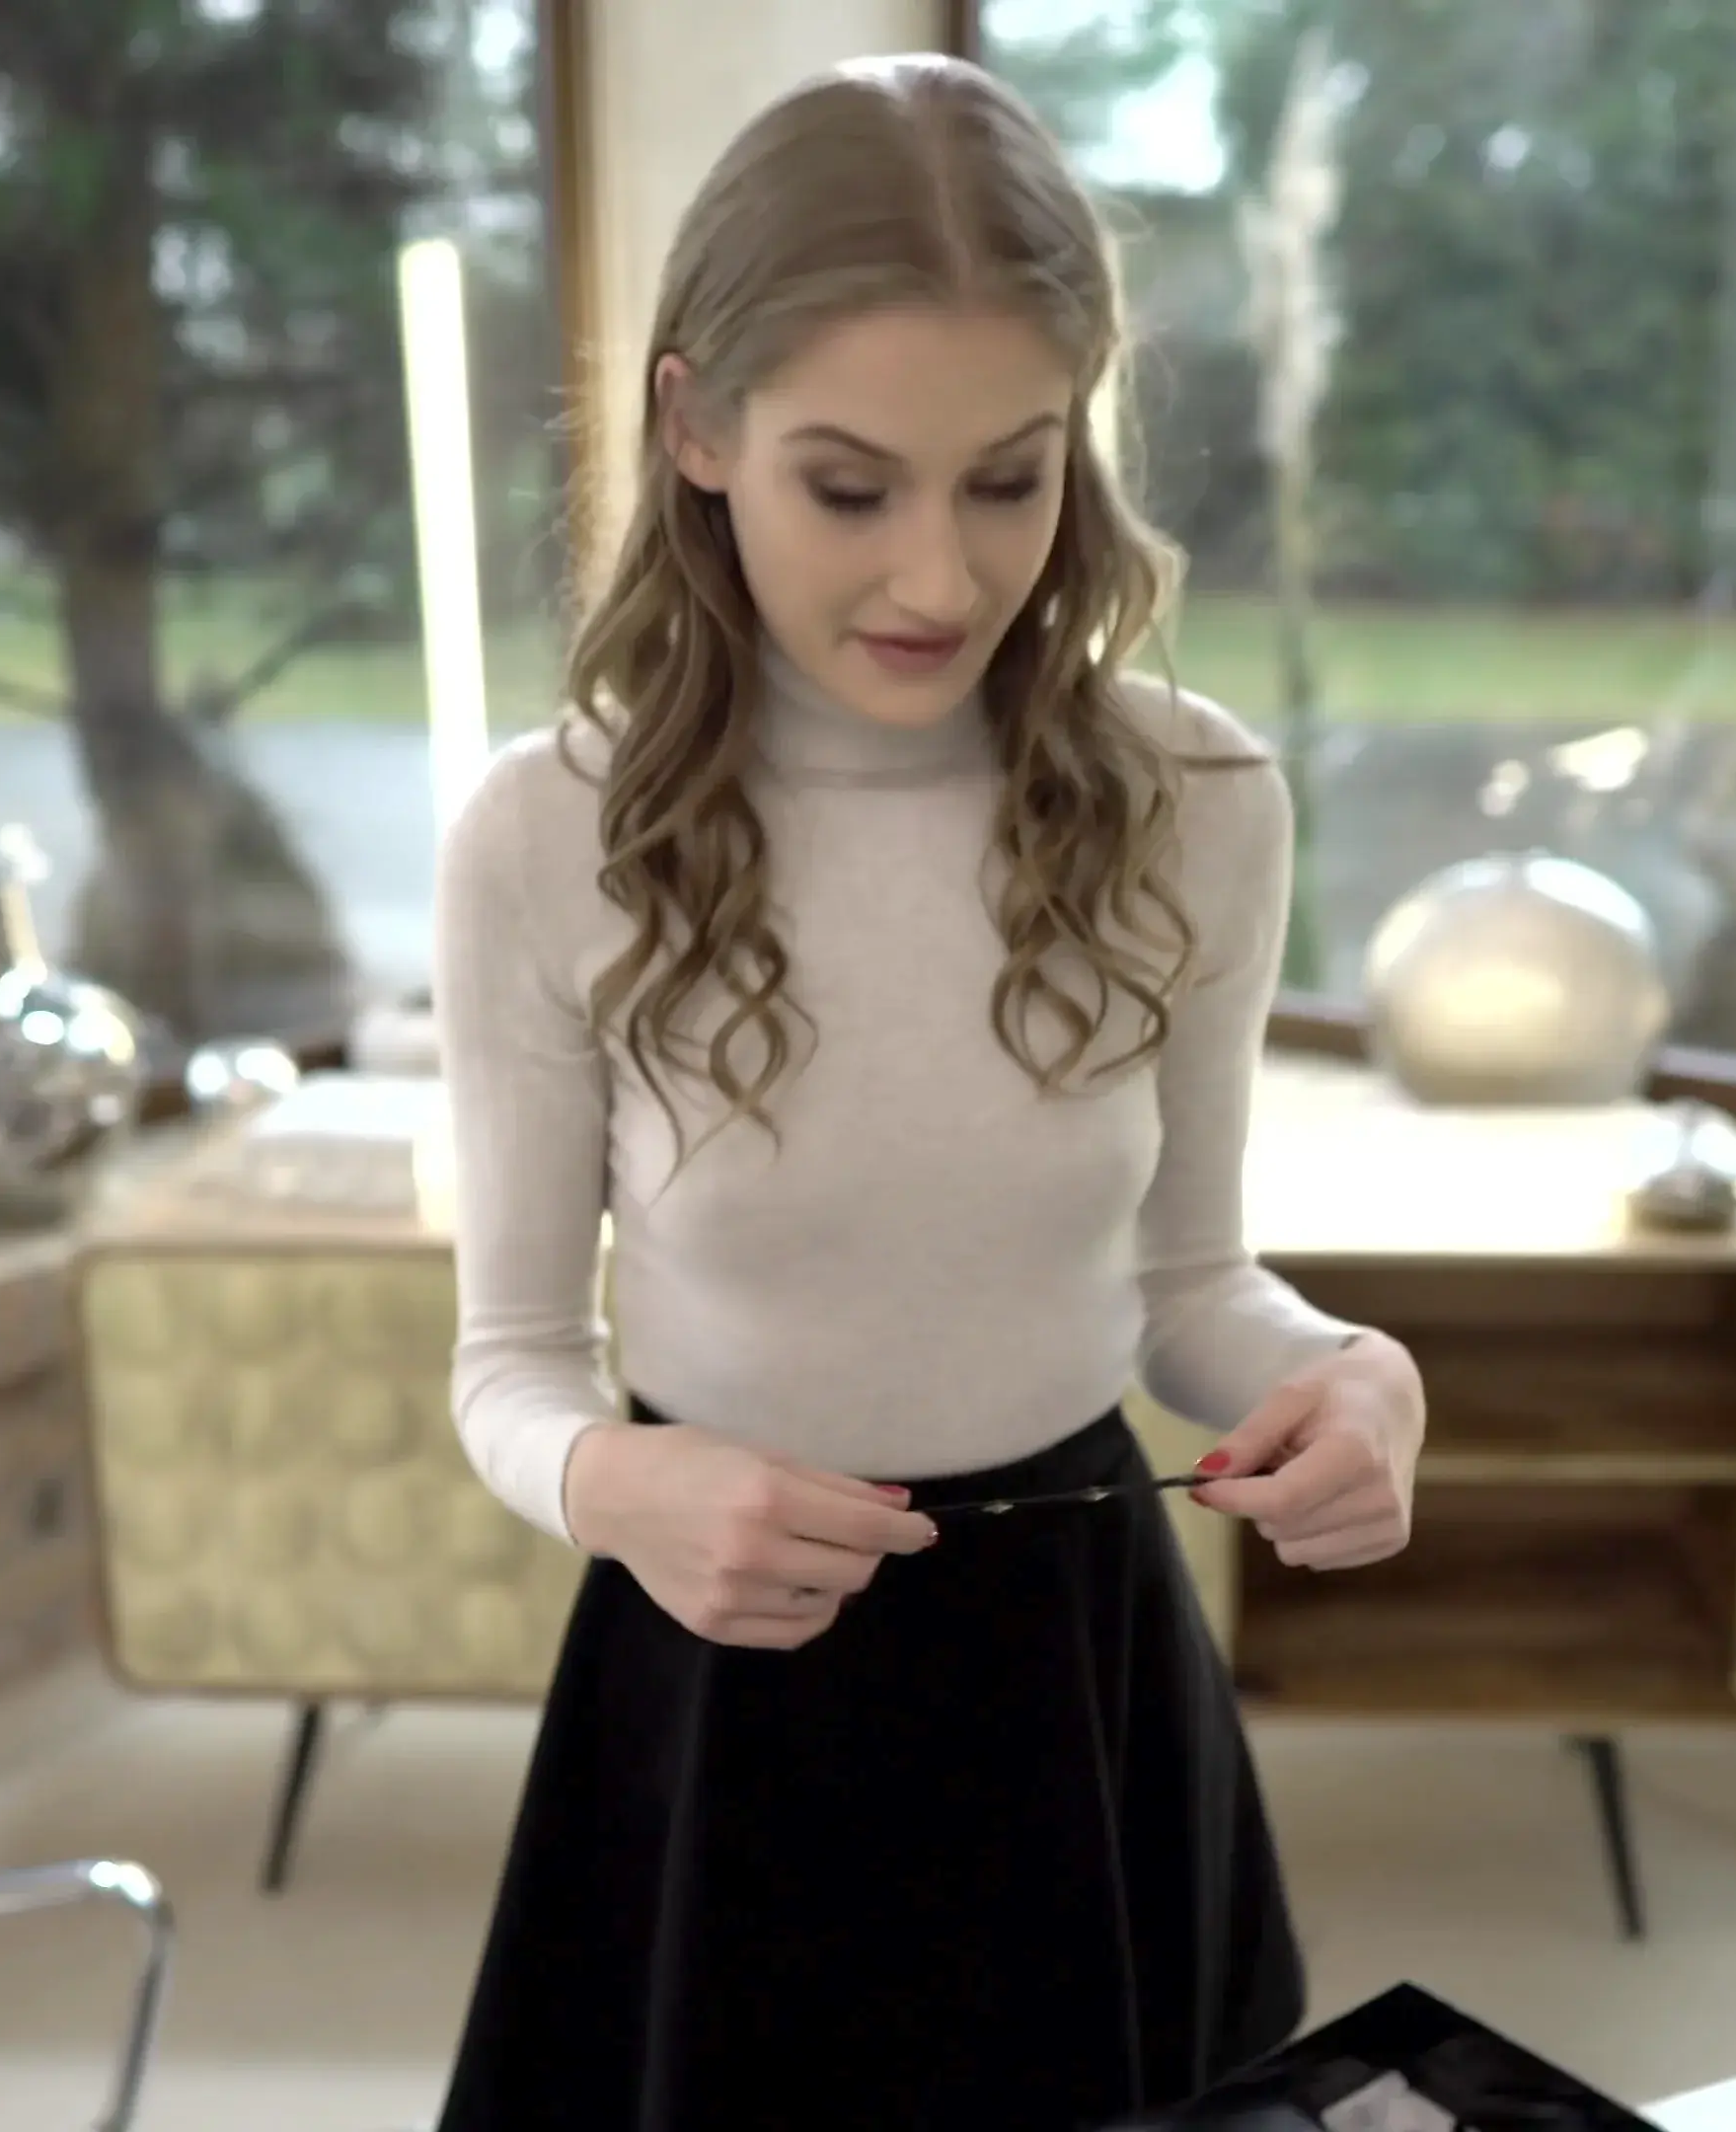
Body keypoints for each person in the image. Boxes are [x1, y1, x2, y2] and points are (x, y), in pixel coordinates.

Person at [428, 52, 1430, 2132]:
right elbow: (511, 1365)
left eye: (1009, 479)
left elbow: (1187, 1289)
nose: (940, 583)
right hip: (720, 1681)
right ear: (697, 428)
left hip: (1080, 1672)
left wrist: (1350, 1372)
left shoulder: (1200, 803)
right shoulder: (547, 833)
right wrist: (615, 1488)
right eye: (850, 486)